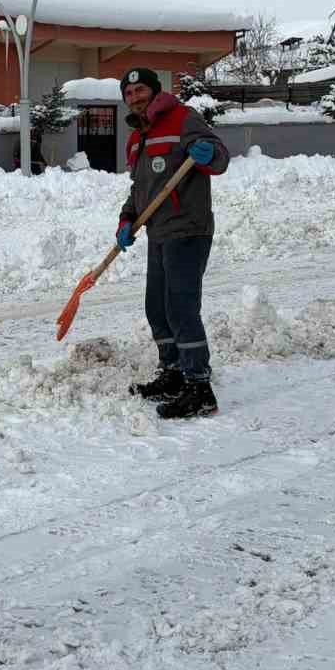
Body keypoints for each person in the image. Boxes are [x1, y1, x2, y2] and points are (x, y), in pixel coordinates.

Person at [114, 67, 229, 419]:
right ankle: (174, 371)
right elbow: (141, 188)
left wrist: (208, 152)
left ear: (154, 90)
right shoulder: (136, 138)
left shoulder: (183, 118)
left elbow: (220, 157)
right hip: (158, 232)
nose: (135, 97)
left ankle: (199, 387)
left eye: (140, 90)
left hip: (188, 228)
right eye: (129, 93)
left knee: (180, 307)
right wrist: (127, 218)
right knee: (157, 308)